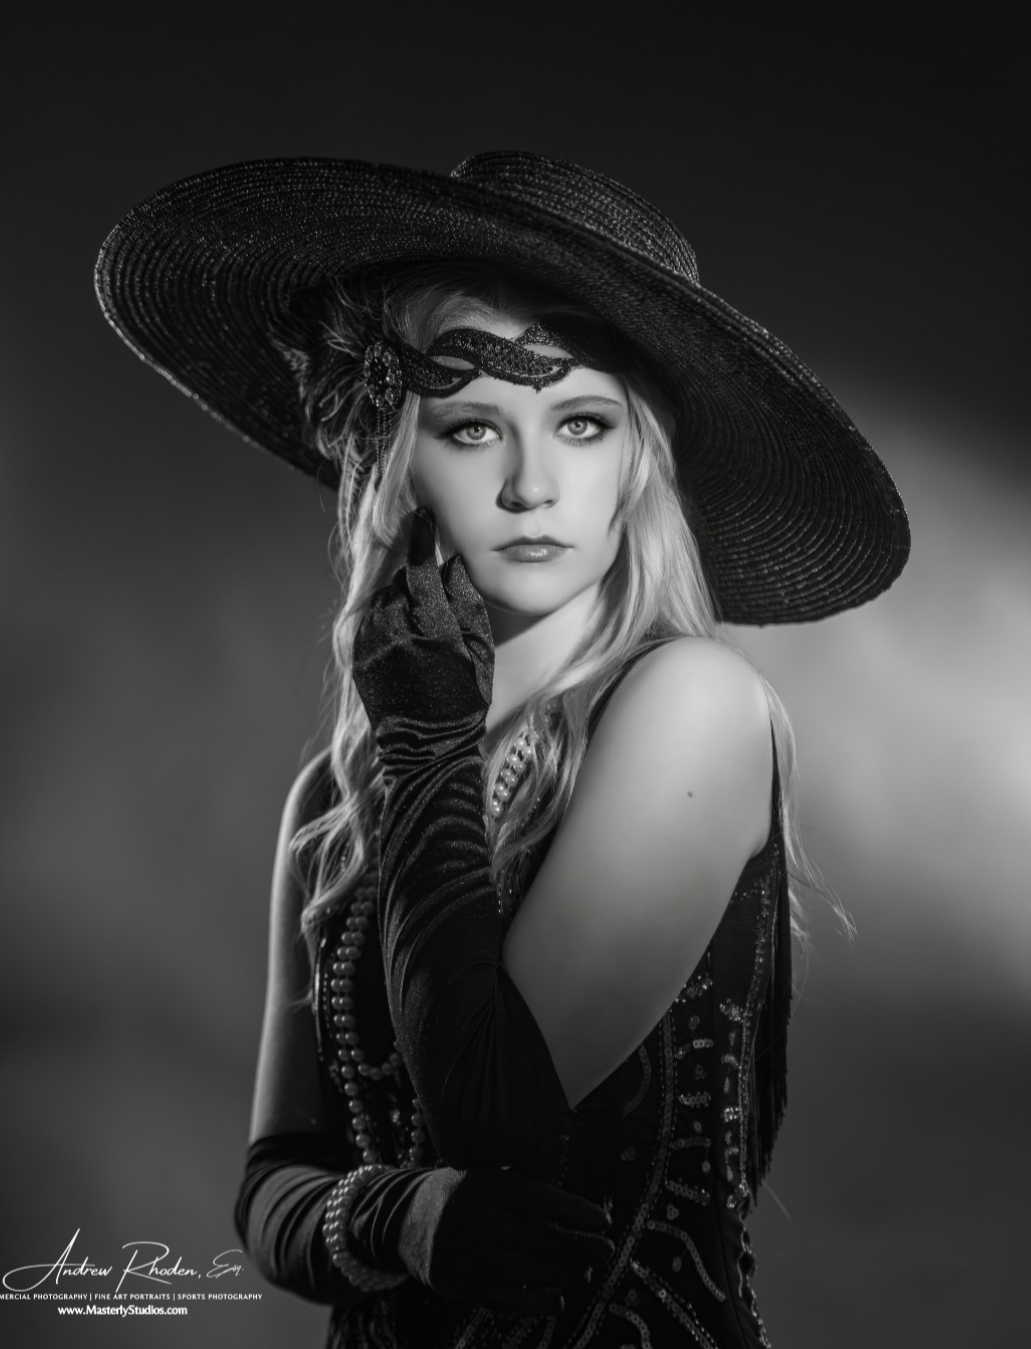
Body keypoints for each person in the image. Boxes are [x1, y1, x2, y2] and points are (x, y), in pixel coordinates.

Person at [95, 151, 909, 1347]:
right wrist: (399, 1213)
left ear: (641, 453)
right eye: (473, 427)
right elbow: (273, 1188)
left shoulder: (694, 705)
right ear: (393, 455)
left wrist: (426, 741)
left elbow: (501, 1125)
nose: (533, 483)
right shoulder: (333, 797)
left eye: (582, 421)